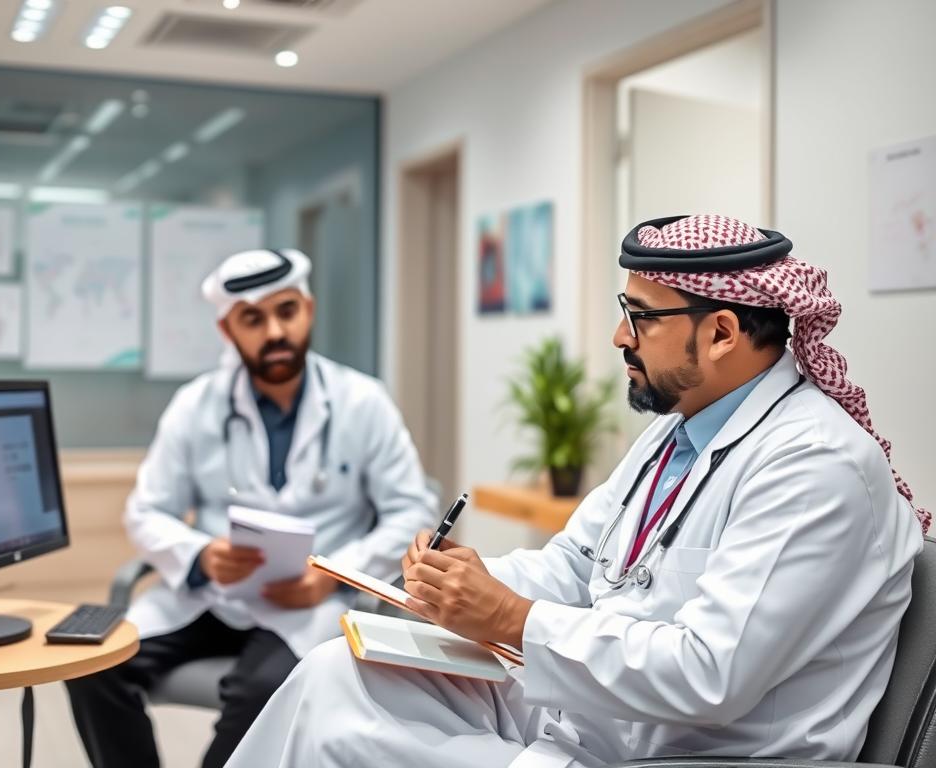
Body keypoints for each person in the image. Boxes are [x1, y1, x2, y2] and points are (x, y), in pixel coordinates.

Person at [225, 215, 927, 768]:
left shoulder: (815, 465)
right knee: (335, 676)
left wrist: (507, 618)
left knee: (348, 739)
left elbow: (709, 673)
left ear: (720, 333)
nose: (619, 335)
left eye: (641, 316)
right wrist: (462, 583)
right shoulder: (676, 433)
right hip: (601, 721)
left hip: (699, 755)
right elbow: (575, 566)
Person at [65, 248, 436, 768]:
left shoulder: (363, 403)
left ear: (308, 309)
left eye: (286, 311)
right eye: (253, 320)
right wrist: (201, 555)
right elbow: (146, 511)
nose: (274, 332)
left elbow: (411, 511)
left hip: (308, 604)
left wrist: (333, 576)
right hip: (215, 595)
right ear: (227, 331)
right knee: (94, 665)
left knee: (263, 693)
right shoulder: (196, 406)